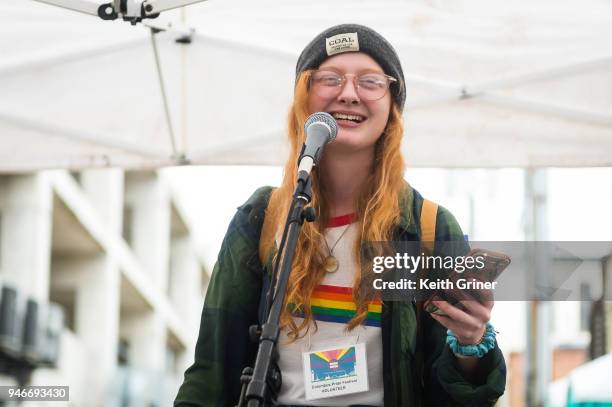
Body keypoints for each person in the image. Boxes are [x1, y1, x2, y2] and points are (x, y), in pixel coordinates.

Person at [174, 24, 506, 407]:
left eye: (370, 82)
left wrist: (470, 343)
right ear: (304, 99)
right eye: (330, 79)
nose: (349, 95)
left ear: (392, 108)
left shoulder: (428, 227)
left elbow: (456, 397)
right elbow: (212, 374)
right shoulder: (262, 219)